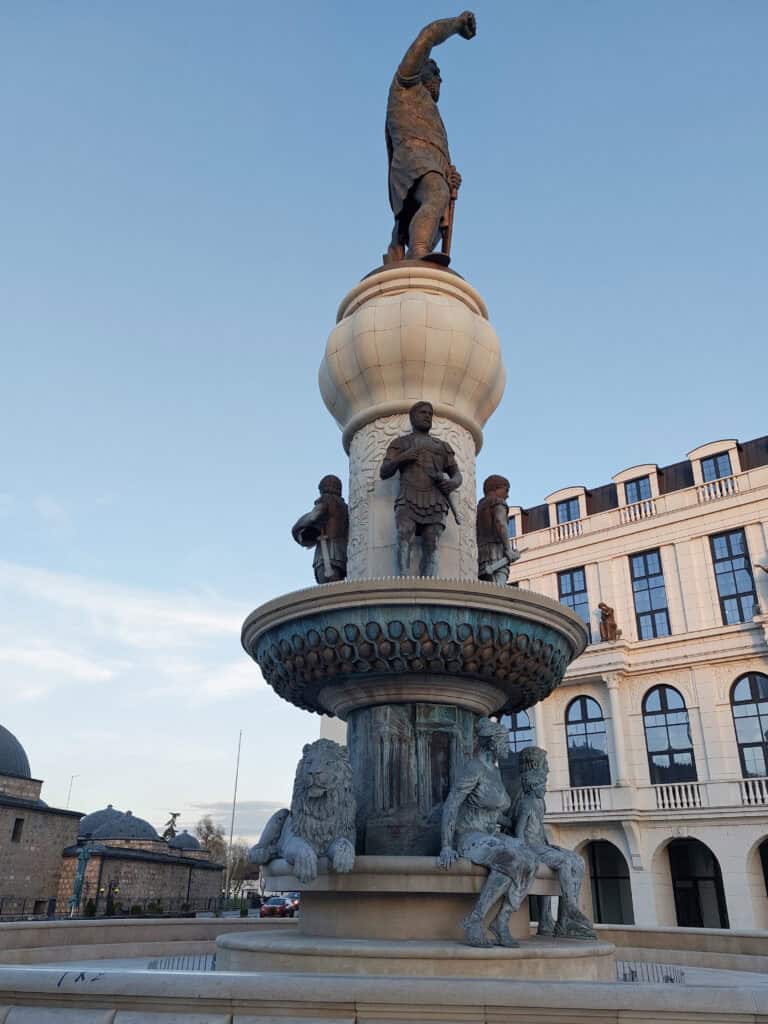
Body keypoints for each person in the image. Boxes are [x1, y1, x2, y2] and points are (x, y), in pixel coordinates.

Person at [437, 717, 538, 947]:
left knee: (531, 859)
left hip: (490, 835)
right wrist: (446, 846)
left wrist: (514, 822)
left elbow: (493, 812)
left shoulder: (495, 771)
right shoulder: (474, 768)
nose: (508, 748)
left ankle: (501, 921)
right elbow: (452, 804)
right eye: (504, 743)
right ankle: (474, 920)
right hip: (469, 835)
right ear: (492, 743)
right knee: (510, 860)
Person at [385, 12, 476, 262]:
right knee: (436, 193)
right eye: (434, 70)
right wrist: (456, 25)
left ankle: (412, 251)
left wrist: (449, 175)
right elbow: (428, 36)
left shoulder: (430, 109)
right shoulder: (406, 83)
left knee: (435, 204)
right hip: (413, 157)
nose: (440, 78)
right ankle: (419, 250)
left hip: (430, 161)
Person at [506, 746, 596, 939]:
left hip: (541, 843)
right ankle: (554, 916)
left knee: (578, 861)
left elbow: (536, 825)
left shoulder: (537, 796)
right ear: (533, 764)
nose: (547, 768)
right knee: (562, 862)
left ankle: (564, 920)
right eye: (544, 764)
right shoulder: (520, 790)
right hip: (528, 845)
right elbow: (515, 825)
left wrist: (548, 845)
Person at [380, 401, 462, 577]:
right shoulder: (400, 443)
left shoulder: (442, 446)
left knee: (432, 542)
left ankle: (430, 583)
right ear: (412, 417)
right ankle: (403, 578)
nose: (427, 416)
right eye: (423, 412)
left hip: (435, 499)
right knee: (404, 534)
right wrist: (402, 458)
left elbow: (457, 475)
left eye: (430, 414)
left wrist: (452, 483)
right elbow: (384, 472)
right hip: (408, 496)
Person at [291, 476, 349, 584]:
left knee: (327, 588)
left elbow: (314, 516)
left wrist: (298, 527)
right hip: (343, 556)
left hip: (326, 553)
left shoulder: (326, 499)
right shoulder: (346, 508)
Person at [476, 475, 520, 584]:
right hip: (497, 553)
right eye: (506, 490)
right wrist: (508, 550)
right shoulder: (498, 502)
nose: (507, 495)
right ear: (496, 488)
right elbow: (500, 522)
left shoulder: (479, 507)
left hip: (481, 555)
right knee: (499, 587)